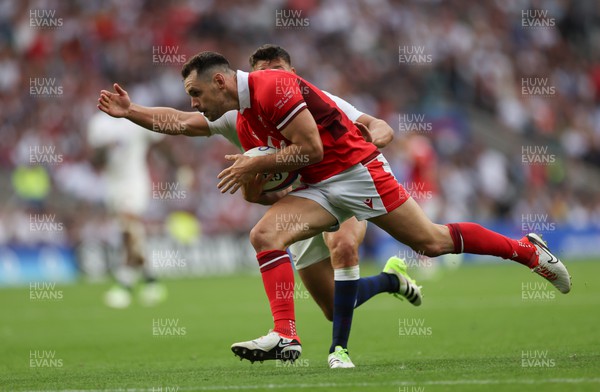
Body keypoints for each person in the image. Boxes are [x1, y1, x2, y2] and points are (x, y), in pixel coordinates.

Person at [177, 51, 570, 364]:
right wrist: (129, 112)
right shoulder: (247, 115)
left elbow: (356, 133)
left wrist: (260, 163)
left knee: (431, 243)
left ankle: (527, 250)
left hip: (356, 174)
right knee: (264, 235)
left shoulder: (292, 92)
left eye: (196, 93)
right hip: (317, 187)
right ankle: (286, 335)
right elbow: (181, 123)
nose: (194, 102)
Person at [96, 45, 422, 368]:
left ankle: (330, 349)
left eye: (280, 71)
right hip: (303, 200)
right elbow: (181, 122)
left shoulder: (319, 101)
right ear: (252, 76)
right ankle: (391, 281)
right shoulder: (233, 112)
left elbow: (379, 125)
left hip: (344, 179)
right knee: (332, 305)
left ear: (291, 73)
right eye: (265, 71)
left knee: (343, 244)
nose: (274, 77)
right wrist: (130, 111)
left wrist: (372, 140)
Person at [87, 112, 167, 308]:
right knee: (129, 233)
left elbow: (161, 141)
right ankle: (151, 280)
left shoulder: (136, 118)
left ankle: (125, 284)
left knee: (129, 225)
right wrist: (107, 147)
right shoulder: (99, 123)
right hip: (112, 186)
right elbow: (94, 162)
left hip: (135, 182)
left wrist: (180, 166)